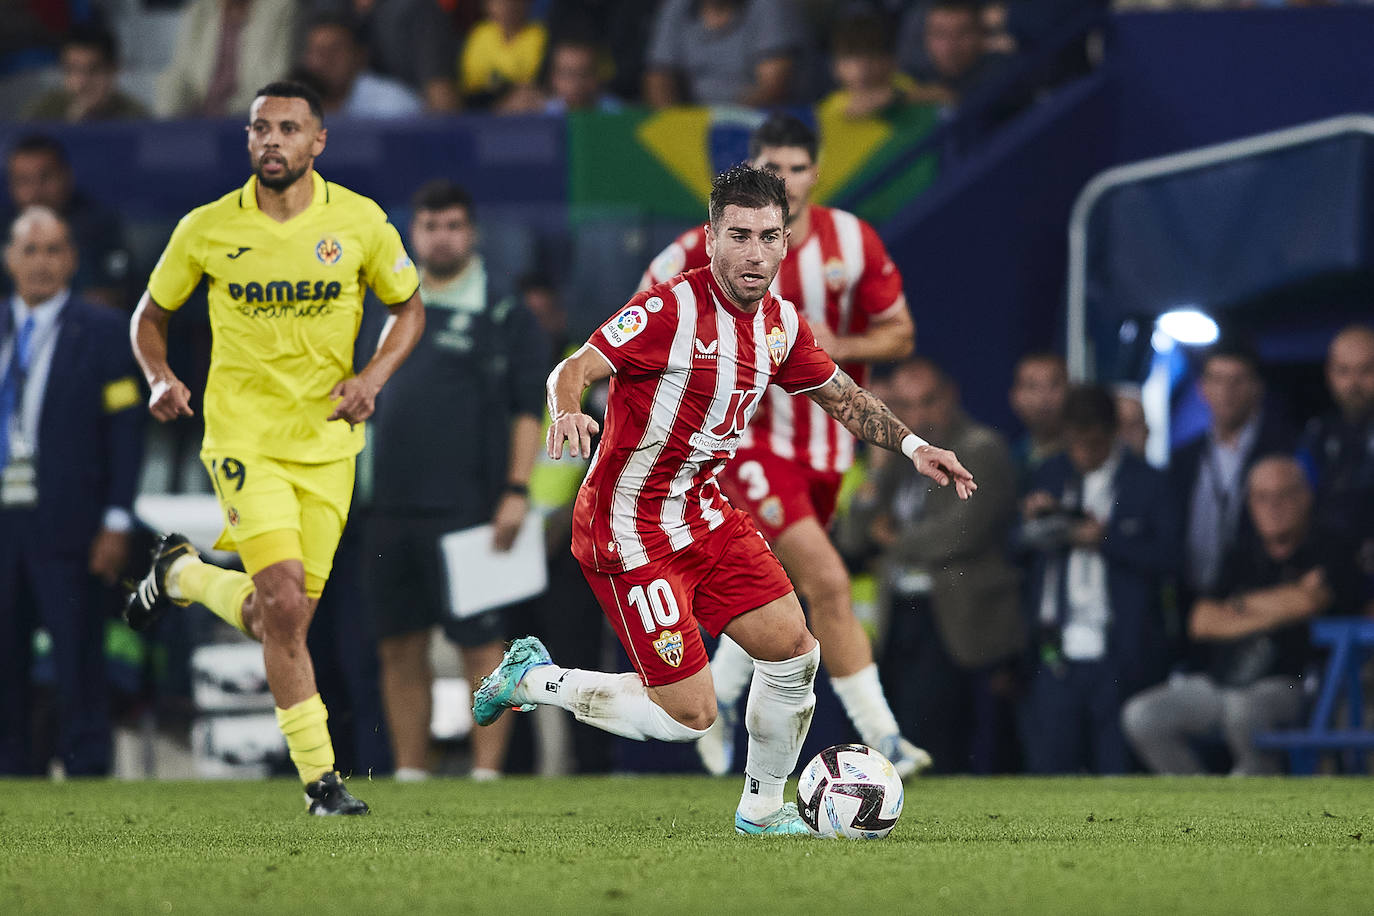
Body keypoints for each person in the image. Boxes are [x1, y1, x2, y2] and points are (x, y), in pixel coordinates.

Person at [472, 165, 976, 835]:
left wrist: (915, 448)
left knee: (795, 651)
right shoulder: (668, 309)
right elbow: (575, 366)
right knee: (689, 718)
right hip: (628, 528)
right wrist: (567, 409)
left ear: (785, 241)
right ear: (710, 237)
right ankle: (535, 679)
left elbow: (843, 398)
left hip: (703, 513)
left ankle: (763, 812)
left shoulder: (779, 326)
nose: (754, 253)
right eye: (738, 235)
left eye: (769, 236)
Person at [125, 80, 425, 814]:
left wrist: (374, 376)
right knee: (285, 599)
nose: (272, 141)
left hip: (328, 444)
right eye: (260, 128)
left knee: (277, 619)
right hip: (242, 438)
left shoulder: (358, 222)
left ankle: (184, 576)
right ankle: (323, 784)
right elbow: (149, 316)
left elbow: (408, 307)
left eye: (289, 128)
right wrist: (159, 377)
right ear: (248, 140)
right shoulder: (207, 228)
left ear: (317, 141)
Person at [639, 114, 929, 778]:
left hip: (828, 450)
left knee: (776, 590)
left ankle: (722, 706)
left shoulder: (851, 241)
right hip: (745, 447)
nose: (789, 181)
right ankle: (884, 738)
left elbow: (900, 334)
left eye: (799, 168)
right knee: (827, 582)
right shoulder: (701, 247)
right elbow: (640, 324)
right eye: (776, 168)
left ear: (818, 171)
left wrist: (839, 346)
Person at [365, 180, 547, 781]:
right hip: (388, 505)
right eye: (429, 226)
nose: (441, 237)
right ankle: (411, 772)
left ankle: (486, 774)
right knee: (399, 643)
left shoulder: (503, 308)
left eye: (452, 226)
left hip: (472, 505)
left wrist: (516, 491)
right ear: (412, 232)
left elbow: (529, 407)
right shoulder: (383, 302)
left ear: (471, 233)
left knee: (483, 649)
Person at [0, 207, 144, 777]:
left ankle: (89, 775)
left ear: (73, 260)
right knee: (4, 659)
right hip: (4, 525)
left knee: (79, 657)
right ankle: (10, 775)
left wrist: (117, 519)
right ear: (9, 258)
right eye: (29, 250)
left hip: (74, 523)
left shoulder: (105, 330)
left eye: (53, 249)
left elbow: (126, 433)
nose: (40, 262)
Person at [837, 357, 1023, 773]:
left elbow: (960, 534)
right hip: (896, 617)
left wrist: (891, 540)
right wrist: (877, 464)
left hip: (955, 617)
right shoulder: (898, 458)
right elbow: (852, 538)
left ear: (951, 396)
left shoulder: (980, 446)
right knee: (891, 737)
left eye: (927, 401)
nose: (917, 414)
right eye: (903, 404)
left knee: (942, 743)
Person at [1122, 455, 1356, 775]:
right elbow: (1201, 621)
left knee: (1244, 709)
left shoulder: (1328, 547)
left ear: (1305, 496)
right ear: (1250, 503)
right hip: (1223, 678)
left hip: (1291, 683)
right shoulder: (1241, 554)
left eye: (1284, 494)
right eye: (1262, 497)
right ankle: (1198, 808)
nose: (1273, 506)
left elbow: (1307, 603)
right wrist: (1281, 605)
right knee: (1143, 714)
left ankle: (1250, 806)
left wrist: (1237, 608)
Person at [1018, 383, 1179, 773]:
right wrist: (1035, 521)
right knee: (1054, 770)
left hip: (1121, 651)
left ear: (1112, 432)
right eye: (1074, 443)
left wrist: (1106, 540)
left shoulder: (1148, 483)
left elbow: (1170, 558)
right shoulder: (1049, 474)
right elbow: (1011, 547)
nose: (1082, 454)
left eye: (1092, 443)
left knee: (1118, 771)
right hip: (1056, 648)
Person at [1171, 342, 1292, 608]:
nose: (1226, 392)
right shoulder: (1183, 459)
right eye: (1217, 380)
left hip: (1256, 599)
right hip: (1191, 600)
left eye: (1237, 380)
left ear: (1257, 388)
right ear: (1202, 388)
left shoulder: (1281, 453)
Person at [3, 134, 133, 311]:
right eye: (24, 181)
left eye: (46, 177)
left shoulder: (99, 225)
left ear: (66, 176)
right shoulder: (4, 227)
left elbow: (111, 297)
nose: (36, 191)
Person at [1297, 324, 1374, 612]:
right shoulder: (1316, 437)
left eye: (1366, 370)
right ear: (1330, 375)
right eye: (1344, 371)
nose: (1353, 383)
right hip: (1330, 586)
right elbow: (1298, 511)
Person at [644, 0, 806, 108]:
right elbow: (658, 75)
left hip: (755, 125)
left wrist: (723, 122)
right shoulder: (676, 7)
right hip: (693, 126)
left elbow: (773, 85)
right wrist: (674, 122)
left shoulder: (770, 6)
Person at [155, 0, 300, 118]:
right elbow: (182, 69)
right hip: (199, 111)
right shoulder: (199, 9)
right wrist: (171, 111)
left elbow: (276, 74)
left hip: (248, 113)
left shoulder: (281, 7)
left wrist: (225, 113)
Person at [297, 14, 424, 119]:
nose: (323, 60)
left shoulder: (393, 104)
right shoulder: (296, 102)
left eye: (334, 50)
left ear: (359, 56)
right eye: (316, 51)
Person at [21, 23, 149, 122]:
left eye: (93, 70)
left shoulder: (135, 116)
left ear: (113, 70)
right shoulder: (43, 112)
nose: (82, 81)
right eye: (72, 70)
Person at [459, 0, 548, 109]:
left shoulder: (540, 36)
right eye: (498, 2)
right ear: (487, 5)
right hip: (486, 110)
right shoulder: (480, 35)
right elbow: (471, 87)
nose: (506, 7)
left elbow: (536, 86)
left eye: (512, 2)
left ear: (526, 3)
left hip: (527, 111)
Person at [1008, 351, 1067, 493]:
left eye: (1054, 385)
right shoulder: (1009, 459)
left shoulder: (1083, 457)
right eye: (1032, 386)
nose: (1044, 397)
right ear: (1015, 397)